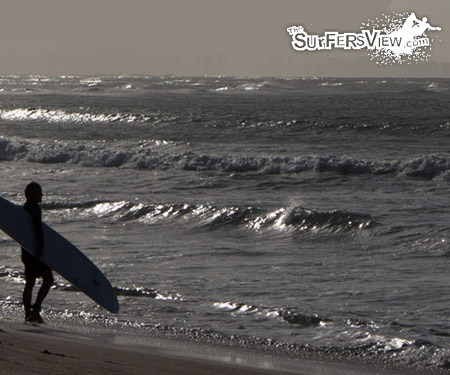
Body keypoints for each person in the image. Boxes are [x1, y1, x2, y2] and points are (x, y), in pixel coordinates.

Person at [21, 182, 54, 323]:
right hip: (35, 250)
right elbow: (37, 228)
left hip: (26, 250)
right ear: (33, 194)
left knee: (30, 282)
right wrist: (40, 246)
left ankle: (28, 313)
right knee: (48, 280)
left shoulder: (23, 208)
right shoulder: (34, 208)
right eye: (39, 192)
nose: (41, 194)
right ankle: (35, 311)